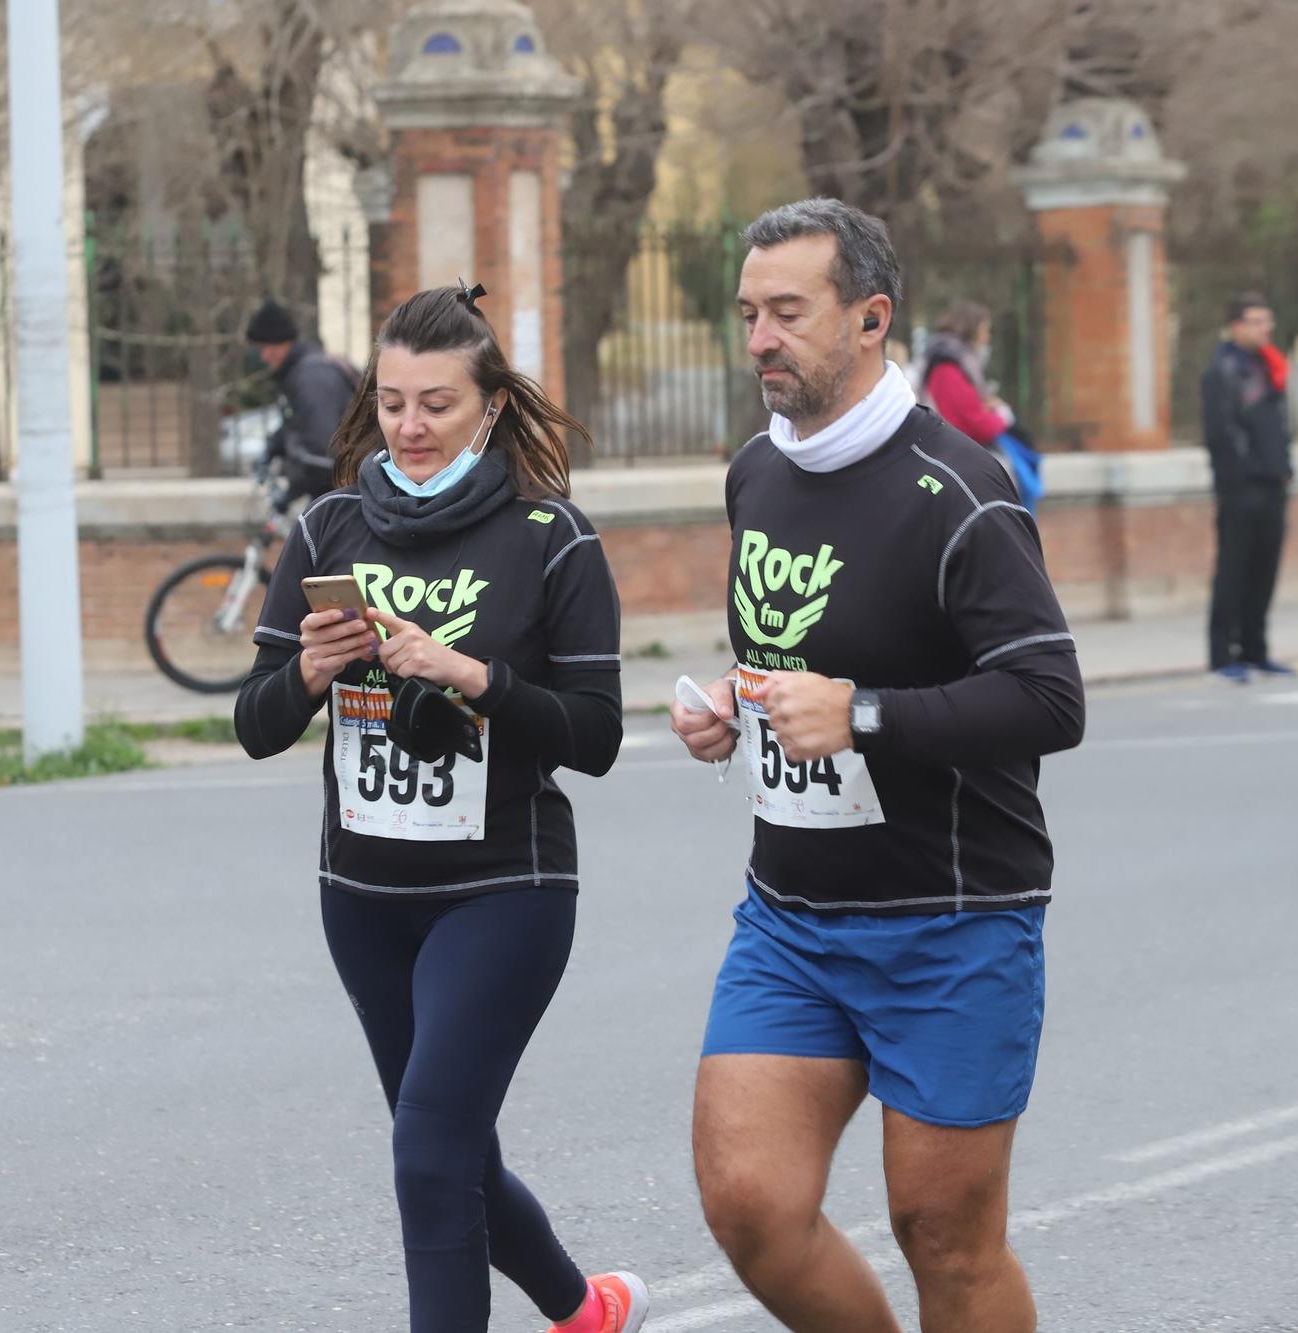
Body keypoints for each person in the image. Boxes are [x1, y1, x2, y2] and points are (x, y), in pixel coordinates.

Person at [667, 198, 1086, 1333]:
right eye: (748, 311)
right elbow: (799, 654)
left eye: (787, 312)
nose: (759, 337)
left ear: (868, 318)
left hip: (949, 921)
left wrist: (862, 717)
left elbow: (1049, 698)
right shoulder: (755, 472)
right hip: (790, 918)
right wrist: (734, 709)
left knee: (944, 1240)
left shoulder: (961, 492)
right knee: (748, 1203)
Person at [234, 282, 647, 1333]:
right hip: (364, 894)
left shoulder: (550, 537)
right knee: (453, 1153)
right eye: (391, 402)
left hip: (504, 887)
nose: (409, 428)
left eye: (437, 404)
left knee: (426, 1153)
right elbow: (255, 724)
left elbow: (595, 737)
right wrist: (311, 677)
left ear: (490, 408)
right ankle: (585, 1310)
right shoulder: (327, 526)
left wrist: (476, 678)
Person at [1200, 292, 1295, 682]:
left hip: (1273, 484)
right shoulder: (1222, 369)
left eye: (1268, 321)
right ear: (1237, 326)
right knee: (1234, 571)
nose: (1265, 328)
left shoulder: (1266, 366)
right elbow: (1222, 433)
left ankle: (1256, 650)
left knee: (1264, 571)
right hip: (1241, 489)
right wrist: (1244, 475)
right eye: (1257, 321)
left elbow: (1278, 425)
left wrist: (1284, 467)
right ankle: (1223, 656)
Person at [921, 300, 1044, 515]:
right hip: (963, 459)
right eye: (985, 330)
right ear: (971, 330)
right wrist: (1001, 416)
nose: (987, 338)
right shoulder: (948, 367)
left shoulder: (953, 362)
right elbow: (972, 421)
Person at [246, 297, 360, 504]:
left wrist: (290, 494)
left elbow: (321, 453)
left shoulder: (312, 378)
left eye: (262, 348)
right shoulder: (302, 372)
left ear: (276, 345)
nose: (263, 357)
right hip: (333, 492)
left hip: (340, 495)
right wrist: (271, 449)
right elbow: (298, 422)